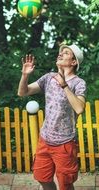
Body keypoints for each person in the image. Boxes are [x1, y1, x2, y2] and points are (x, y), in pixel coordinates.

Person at [17, 44, 86, 190]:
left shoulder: (78, 83)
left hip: (65, 143)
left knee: (65, 184)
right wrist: (25, 75)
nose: (60, 54)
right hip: (45, 140)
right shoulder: (49, 78)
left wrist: (64, 85)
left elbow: (79, 108)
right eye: (60, 52)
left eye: (66, 53)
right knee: (42, 177)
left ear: (74, 62)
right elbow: (23, 92)